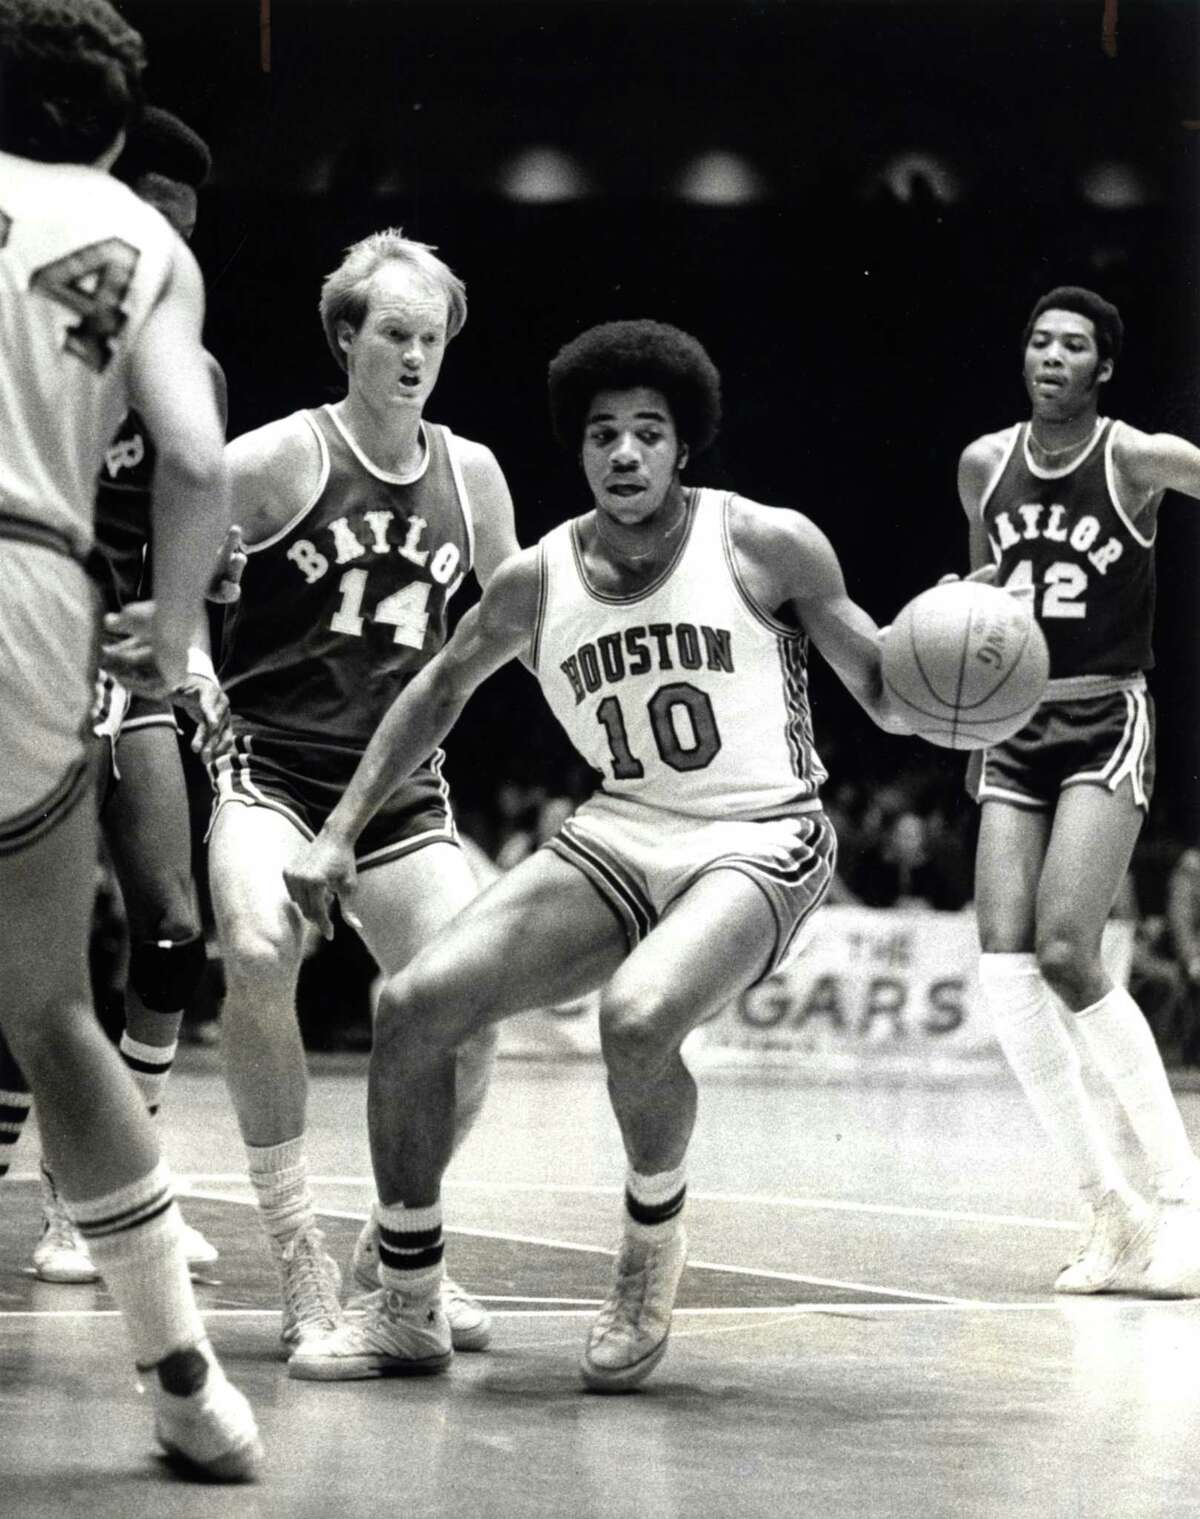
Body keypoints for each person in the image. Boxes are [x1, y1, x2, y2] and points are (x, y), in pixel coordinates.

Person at [282, 318, 910, 1389]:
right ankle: (409, 1301)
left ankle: (649, 1255)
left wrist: (966, 679)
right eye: (605, 434)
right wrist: (339, 828)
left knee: (636, 1016)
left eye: (648, 434)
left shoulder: (765, 543)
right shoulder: (535, 580)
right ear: (579, 449)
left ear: (683, 445)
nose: (625, 453)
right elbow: (432, 693)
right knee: (411, 1007)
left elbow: (893, 699)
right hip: (624, 825)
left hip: (764, 831)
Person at [0, 0, 259, 1480]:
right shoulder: (140, 236)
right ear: (114, 122)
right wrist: (167, 643)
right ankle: (182, 1381)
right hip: (35, 579)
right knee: (50, 1008)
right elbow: (199, 456)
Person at [205, 228, 519, 1362]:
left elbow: (521, 625)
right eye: (394, 332)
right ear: (347, 335)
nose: (415, 355)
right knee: (252, 946)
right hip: (274, 769)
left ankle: (398, 1254)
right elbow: (169, 582)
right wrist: (196, 677)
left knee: (472, 1005)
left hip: (398, 789)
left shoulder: (471, 474)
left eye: (431, 337)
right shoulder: (276, 459)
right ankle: (297, 1260)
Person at [14, 103, 233, 1286]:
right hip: (31, 637)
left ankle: (91, 1198)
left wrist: (189, 646)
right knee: (36, 951)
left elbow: (198, 527)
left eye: (189, 231)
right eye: (156, 218)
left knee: (171, 922)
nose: (169, 250)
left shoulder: (190, 365)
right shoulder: (31, 323)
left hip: (131, 665)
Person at [959, 286, 1200, 1295]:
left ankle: (1184, 1201)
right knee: (1006, 966)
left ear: (1103, 367)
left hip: (1107, 714)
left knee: (1067, 947)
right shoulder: (984, 464)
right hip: (1018, 720)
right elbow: (983, 601)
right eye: (1038, 339)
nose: (1050, 355)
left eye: (1073, 346)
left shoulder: (1137, 458)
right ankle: (1111, 1209)